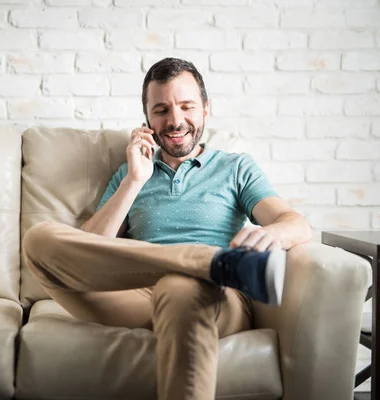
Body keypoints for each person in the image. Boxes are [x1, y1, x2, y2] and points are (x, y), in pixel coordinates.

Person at [22, 57, 312, 400]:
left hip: (216, 295)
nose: (175, 121)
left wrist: (272, 236)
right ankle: (215, 261)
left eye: (186, 106)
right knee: (38, 239)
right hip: (139, 295)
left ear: (206, 109)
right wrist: (133, 181)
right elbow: (87, 251)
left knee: (182, 288)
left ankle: (212, 269)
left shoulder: (236, 168)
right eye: (161, 110)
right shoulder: (131, 174)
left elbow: (295, 223)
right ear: (147, 120)